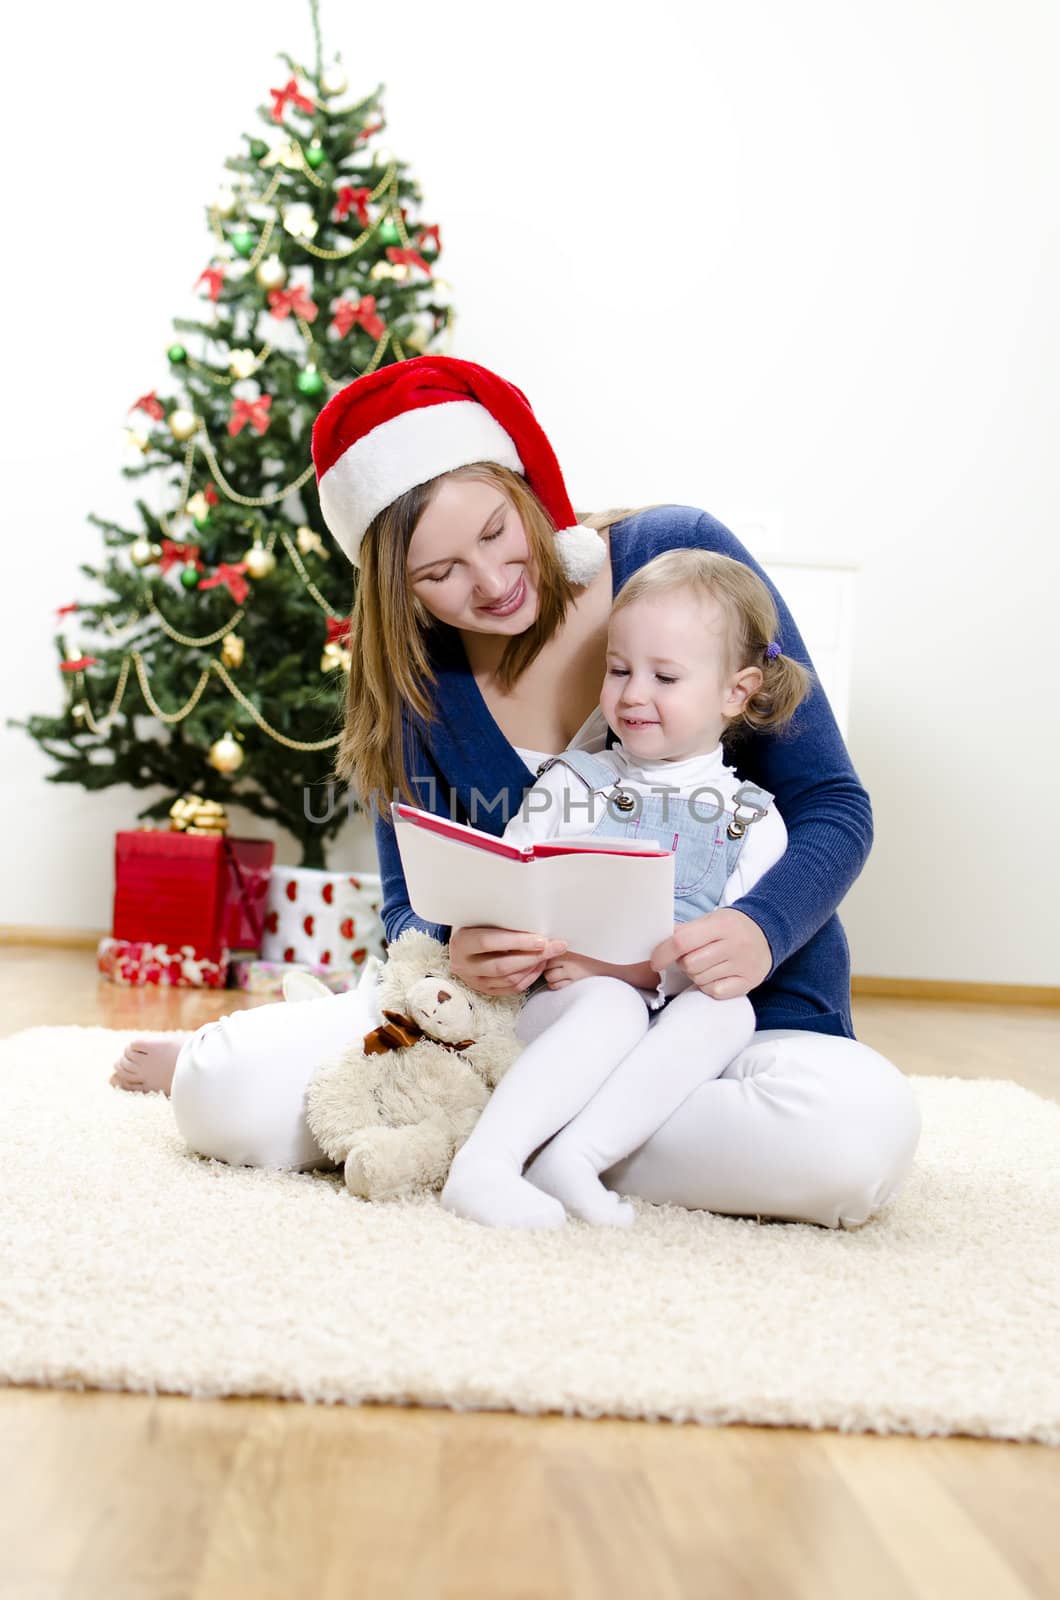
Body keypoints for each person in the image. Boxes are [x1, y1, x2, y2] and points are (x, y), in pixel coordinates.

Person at [112, 355, 921, 1231]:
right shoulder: (415, 683)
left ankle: (500, 1137)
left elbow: (834, 804)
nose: (493, 581)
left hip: (728, 1021)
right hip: (509, 1028)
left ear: (527, 484)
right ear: (397, 593)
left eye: (497, 531)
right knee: (223, 1094)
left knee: (853, 1140)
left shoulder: (680, 562)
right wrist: (453, 948)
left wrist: (761, 931)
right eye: (440, 574)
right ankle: (524, 1130)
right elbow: (411, 906)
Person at [438, 547, 806, 1229]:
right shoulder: (573, 783)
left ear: (735, 691)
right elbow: (507, 888)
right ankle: (483, 1166)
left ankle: (575, 1155)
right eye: (618, 670)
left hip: (662, 1019)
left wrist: (648, 969)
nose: (634, 694)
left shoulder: (753, 819)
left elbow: (725, 959)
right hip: (562, 1004)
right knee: (610, 1003)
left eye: (665, 676)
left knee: (729, 1014)